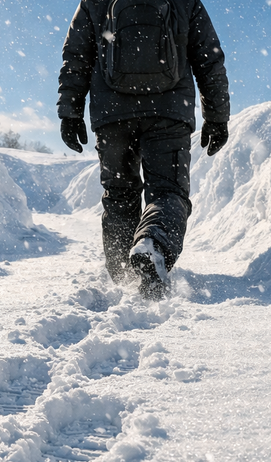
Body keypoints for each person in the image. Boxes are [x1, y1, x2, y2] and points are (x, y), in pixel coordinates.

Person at [58, 0, 230, 300]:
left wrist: (70, 111)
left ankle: (123, 275)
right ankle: (153, 245)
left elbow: (76, 56)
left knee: (119, 193)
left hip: (111, 114)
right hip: (169, 110)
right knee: (168, 192)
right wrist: (216, 115)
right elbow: (208, 56)